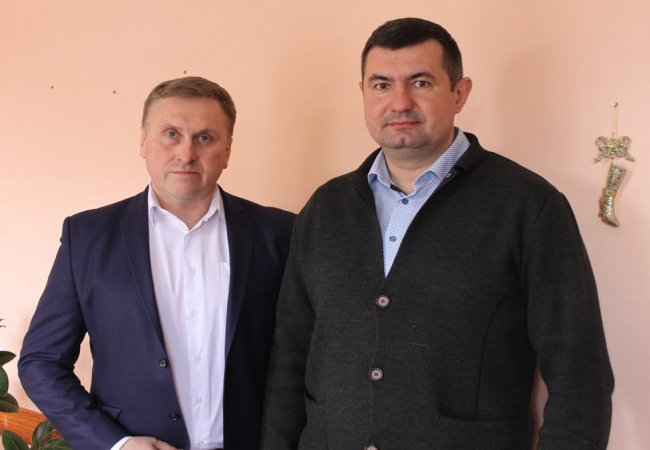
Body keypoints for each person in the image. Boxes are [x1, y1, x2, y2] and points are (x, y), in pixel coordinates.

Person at [261, 18, 614, 450]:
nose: (400, 102)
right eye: (381, 85)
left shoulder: (529, 207)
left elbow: (580, 375)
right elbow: (289, 359)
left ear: (459, 93)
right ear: (363, 94)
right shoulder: (324, 209)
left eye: (421, 82)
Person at [19, 76, 295, 450]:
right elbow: (41, 362)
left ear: (228, 150)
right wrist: (116, 444)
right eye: (170, 134)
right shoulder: (87, 237)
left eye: (205, 137)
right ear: (143, 142)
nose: (186, 153)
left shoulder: (282, 233)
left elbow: (307, 358)